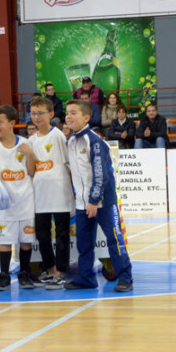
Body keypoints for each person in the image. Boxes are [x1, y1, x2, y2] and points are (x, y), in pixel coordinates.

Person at [64, 99, 133, 292]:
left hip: (104, 202)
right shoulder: (70, 141)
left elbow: (101, 175)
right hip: (82, 203)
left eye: (73, 113)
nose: (68, 116)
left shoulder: (94, 141)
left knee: (114, 239)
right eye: (67, 112)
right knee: (83, 242)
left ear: (86, 117)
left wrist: (94, 200)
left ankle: (125, 277)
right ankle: (86, 278)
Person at [0, 105, 36, 290]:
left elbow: (31, 171)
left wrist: (30, 155)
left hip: (26, 200)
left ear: (12, 123)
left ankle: (24, 273)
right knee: (6, 241)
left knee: (25, 241)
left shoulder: (25, 144)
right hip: (5, 204)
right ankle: (4, 275)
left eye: (0, 122)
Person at [27, 96, 73, 290]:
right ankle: (51, 269)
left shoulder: (58, 136)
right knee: (43, 234)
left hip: (60, 193)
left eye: (41, 113)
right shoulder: (30, 141)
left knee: (62, 234)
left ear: (51, 114)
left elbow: (68, 163)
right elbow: (30, 171)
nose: (37, 117)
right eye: (33, 113)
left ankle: (61, 272)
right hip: (40, 195)